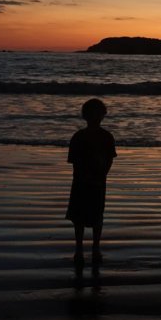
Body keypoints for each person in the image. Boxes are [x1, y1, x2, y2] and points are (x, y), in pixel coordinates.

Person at [66, 98, 117, 266]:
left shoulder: (100, 136)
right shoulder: (84, 136)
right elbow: (75, 161)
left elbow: (109, 159)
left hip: (90, 181)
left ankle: (91, 248)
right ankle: (82, 249)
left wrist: (101, 173)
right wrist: (100, 173)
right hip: (86, 181)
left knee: (92, 216)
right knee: (85, 217)